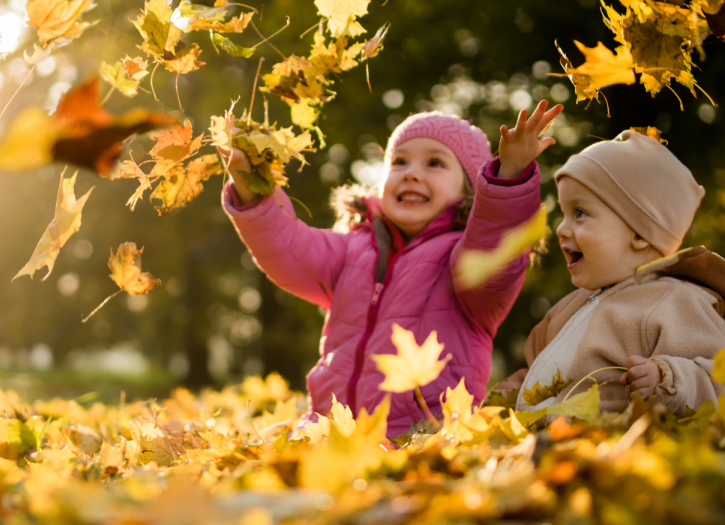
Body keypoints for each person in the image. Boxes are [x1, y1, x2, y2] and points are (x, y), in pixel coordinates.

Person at [215, 101, 563, 436]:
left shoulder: (464, 260)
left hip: (421, 436)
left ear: (469, 189)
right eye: (399, 162)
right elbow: (286, 246)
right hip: (329, 430)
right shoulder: (351, 248)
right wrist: (252, 187)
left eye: (435, 164)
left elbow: (495, 243)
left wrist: (509, 177)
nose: (412, 173)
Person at [499, 130, 725, 417]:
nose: (560, 228)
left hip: (617, 451)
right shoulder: (567, 309)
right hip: (555, 452)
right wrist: (518, 389)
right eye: (563, 213)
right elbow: (548, 376)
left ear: (639, 233)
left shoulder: (676, 303)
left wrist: (668, 379)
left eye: (580, 213)